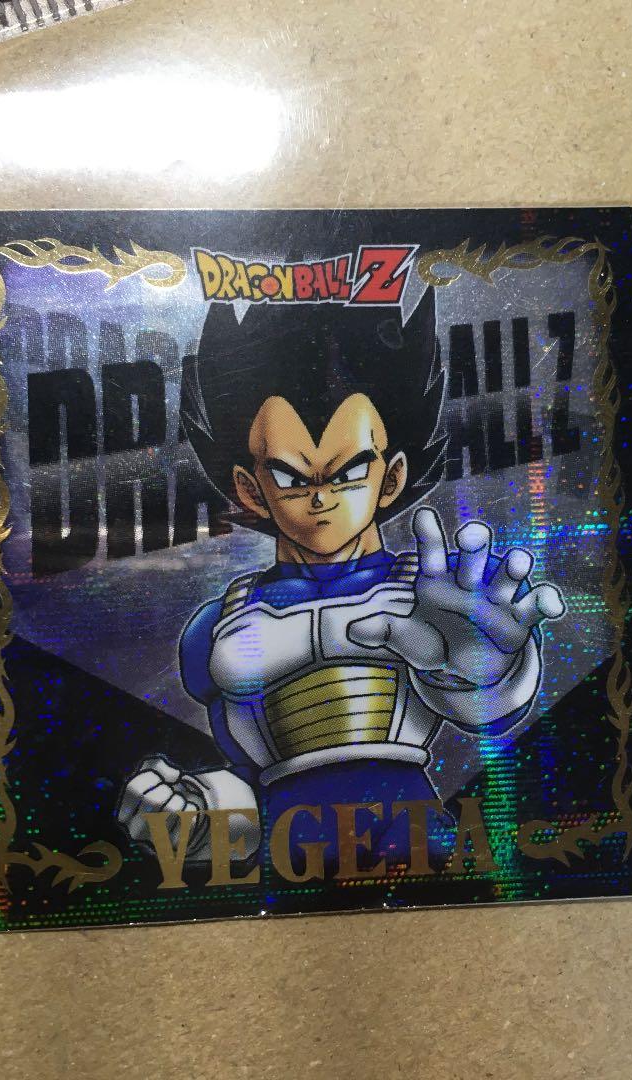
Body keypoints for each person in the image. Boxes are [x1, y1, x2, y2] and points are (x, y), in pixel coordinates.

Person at [116, 290, 565, 874]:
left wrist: (491, 672)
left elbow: (494, 712)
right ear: (252, 490)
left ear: (391, 478)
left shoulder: (437, 593)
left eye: (350, 472)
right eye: (290, 477)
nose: (321, 499)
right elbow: (253, 785)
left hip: (419, 847)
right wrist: (192, 817)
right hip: (288, 867)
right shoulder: (219, 624)